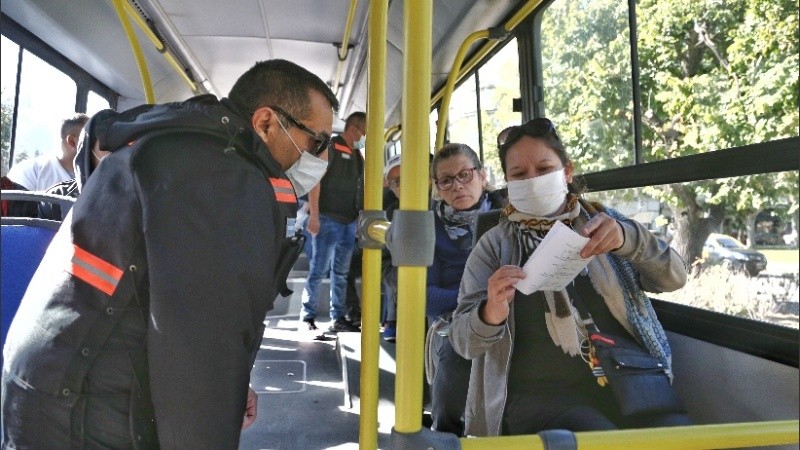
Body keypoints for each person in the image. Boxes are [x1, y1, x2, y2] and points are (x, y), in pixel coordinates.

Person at [2, 59, 339, 449]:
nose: (322, 157)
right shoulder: (222, 175)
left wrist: (233, 384)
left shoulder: (189, 148)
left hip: (56, 383)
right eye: (318, 142)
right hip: (83, 406)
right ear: (265, 122)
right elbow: (199, 344)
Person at [449, 118, 692, 437]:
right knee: (598, 439)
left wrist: (627, 239)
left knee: (681, 437)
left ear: (566, 171)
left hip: (627, 378)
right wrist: (491, 310)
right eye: (519, 175)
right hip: (540, 397)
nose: (533, 181)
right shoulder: (494, 246)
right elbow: (463, 341)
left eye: (545, 168)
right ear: (508, 183)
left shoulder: (605, 223)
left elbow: (674, 278)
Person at [425, 143, 505, 436]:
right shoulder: (429, 228)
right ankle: (446, 434)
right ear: (438, 188)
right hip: (455, 318)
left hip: (510, 309)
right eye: (447, 180)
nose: (457, 186)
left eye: (465, 175)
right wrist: (480, 300)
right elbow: (428, 299)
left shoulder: (510, 217)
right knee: (454, 360)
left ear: (483, 176)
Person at [301, 111, 366, 333]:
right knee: (318, 270)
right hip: (327, 218)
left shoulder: (358, 156)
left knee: (340, 273)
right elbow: (314, 180)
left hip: (349, 222)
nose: (365, 138)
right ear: (354, 129)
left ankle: (338, 317)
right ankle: (307, 316)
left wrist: (359, 218)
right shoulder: (330, 147)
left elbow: (360, 190)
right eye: (364, 133)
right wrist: (315, 215)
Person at [37, 108, 124, 220]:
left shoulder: (143, 197)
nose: (116, 150)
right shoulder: (55, 200)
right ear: (88, 148)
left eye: (122, 144)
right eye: (107, 142)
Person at [7, 113, 89, 191]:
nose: (100, 146)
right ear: (72, 142)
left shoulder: (96, 176)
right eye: (93, 139)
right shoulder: (29, 172)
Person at [380, 154, 403, 342]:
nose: (401, 185)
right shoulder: (389, 213)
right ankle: (391, 320)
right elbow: (385, 259)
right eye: (395, 182)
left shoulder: (439, 207)